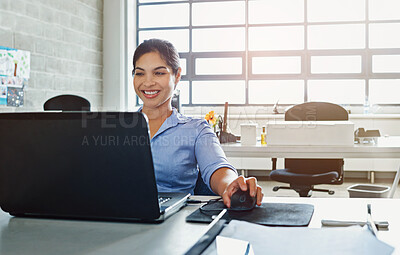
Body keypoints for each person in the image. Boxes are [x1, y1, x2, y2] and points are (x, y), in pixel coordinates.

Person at [132, 38, 263, 208]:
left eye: (159, 73)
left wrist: (230, 184)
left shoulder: (196, 129)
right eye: (140, 73)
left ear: (177, 75)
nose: (148, 82)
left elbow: (217, 167)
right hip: (115, 216)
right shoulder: (118, 126)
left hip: (174, 220)